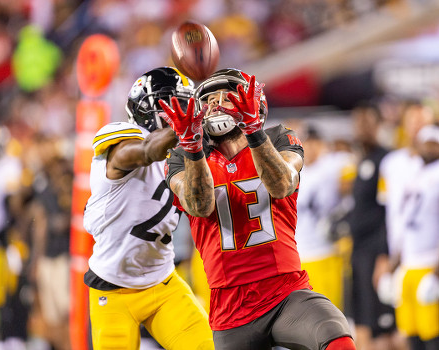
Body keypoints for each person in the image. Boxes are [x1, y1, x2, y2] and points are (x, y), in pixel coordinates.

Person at [159, 68, 355, 350]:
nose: (215, 103)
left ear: (253, 103)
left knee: (337, 338)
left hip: (286, 291)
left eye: (227, 97)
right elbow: (199, 206)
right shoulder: (182, 157)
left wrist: (253, 131)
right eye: (209, 99)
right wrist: (192, 148)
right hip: (230, 308)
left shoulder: (278, 137)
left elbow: (282, 185)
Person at [83, 67, 214, 350]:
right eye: (171, 103)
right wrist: (183, 128)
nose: (178, 110)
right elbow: (147, 151)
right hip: (113, 288)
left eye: (184, 103)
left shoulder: (187, 144)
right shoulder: (121, 138)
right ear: (144, 107)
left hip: (163, 281)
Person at [378, 124, 439, 350]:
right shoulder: (414, 173)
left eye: (434, 142)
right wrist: (392, 268)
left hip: (429, 263)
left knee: (433, 334)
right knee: (410, 334)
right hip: (408, 265)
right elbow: (403, 225)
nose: (429, 147)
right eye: (426, 142)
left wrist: (436, 273)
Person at [348, 102, 400, 350]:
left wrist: (383, 255)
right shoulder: (362, 160)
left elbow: (388, 212)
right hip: (357, 253)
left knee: (386, 331)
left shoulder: (387, 160)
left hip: (374, 252)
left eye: (367, 123)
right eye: (358, 123)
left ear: (379, 126)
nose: (361, 128)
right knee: (361, 321)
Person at [295, 125, 356, 312]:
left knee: (332, 311)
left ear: (322, 145)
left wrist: (343, 209)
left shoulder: (334, 164)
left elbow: (354, 181)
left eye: (315, 143)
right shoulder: (293, 171)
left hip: (327, 251)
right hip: (301, 255)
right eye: (307, 143)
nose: (311, 148)